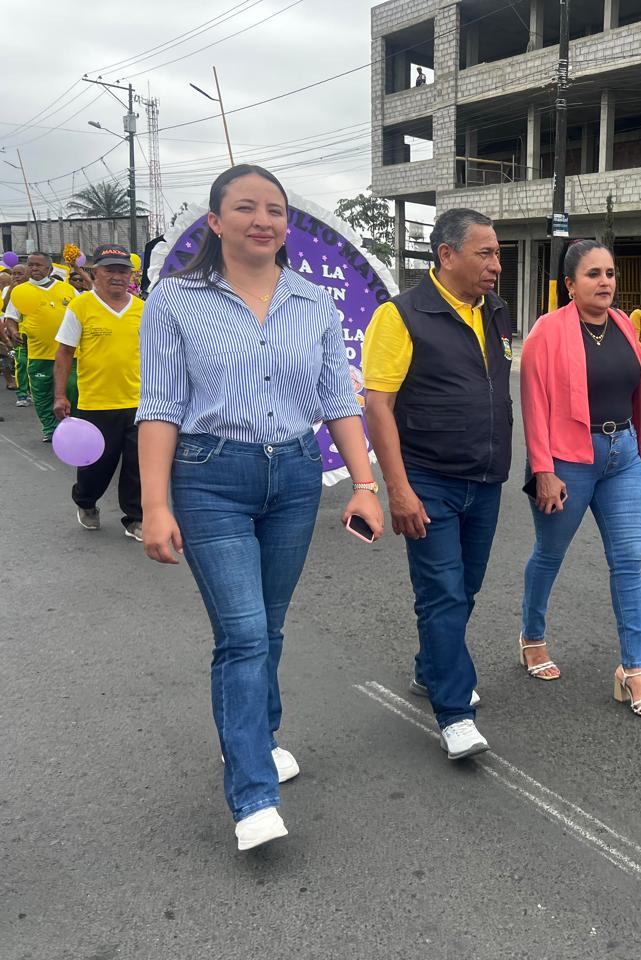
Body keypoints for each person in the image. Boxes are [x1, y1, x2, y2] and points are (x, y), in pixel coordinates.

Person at [137, 164, 384, 852]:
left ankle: (257, 734)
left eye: (273, 209)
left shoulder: (313, 302)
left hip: (296, 476)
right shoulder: (175, 300)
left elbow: (338, 400)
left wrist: (365, 486)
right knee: (243, 633)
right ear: (215, 222)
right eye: (245, 208)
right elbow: (159, 407)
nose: (262, 220)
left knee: (268, 627)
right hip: (210, 477)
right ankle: (252, 795)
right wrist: (155, 505)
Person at [363, 207, 512, 760]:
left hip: (485, 478)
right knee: (442, 593)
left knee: (464, 589)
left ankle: (431, 669)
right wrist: (398, 489)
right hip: (429, 479)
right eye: (485, 253)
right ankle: (455, 714)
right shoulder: (400, 315)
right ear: (446, 255)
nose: (496, 265)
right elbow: (378, 406)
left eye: (497, 254)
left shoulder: (494, 310)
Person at [519, 240, 641, 718]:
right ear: (570, 284)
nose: (605, 282)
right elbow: (534, 405)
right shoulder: (547, 331)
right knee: (549, 554)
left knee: (627, 561)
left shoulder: (622, 324)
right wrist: (543, 470)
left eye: (610, 274)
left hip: (623, 455)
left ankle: (633, 669)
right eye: (593, 274)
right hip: (568, 460)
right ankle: (532, 636)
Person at [53, 244, 145, 538]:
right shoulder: (81, 306)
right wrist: (60, 395)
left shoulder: (142, 309)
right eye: (110, 270)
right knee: (96, 466)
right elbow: (64, 352)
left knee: (138, 466)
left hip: (139, 402)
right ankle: (86, 501)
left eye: (123, 271)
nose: (117, 276)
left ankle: (135, 518)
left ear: (131, 275)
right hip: (96, 404)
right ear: (96, 272)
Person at [5, 252, 77, 438]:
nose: (34, 268)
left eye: (38, 265)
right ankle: (50, 429)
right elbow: (11, 318)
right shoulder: (20, 292)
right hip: (39, 354)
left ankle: (70, 426)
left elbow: (82, 314)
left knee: (72, 390)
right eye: (30, 265)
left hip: (70, 354)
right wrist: (13, 331)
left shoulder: (68, 290)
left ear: (49, 268)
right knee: (42, 393)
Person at [2, 263, 30, 402]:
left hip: (35, 334)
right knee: (22, 362)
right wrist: (12, 289)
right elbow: (5, 308)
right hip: (18, 333)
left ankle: (33, 390)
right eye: (14, 273)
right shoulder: (8, 289)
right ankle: (22, 394)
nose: (16, 276)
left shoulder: (32, 288)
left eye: (20, 274)